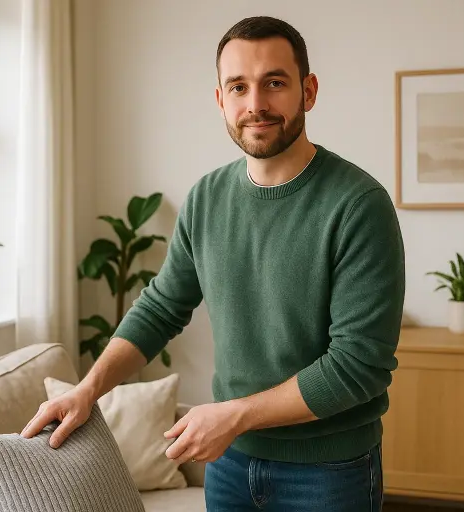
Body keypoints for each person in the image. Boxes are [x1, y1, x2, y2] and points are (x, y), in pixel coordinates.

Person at [21, 15, 405, 512]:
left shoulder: (359, 205)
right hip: (230, 467)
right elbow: (161, 307)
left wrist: (233, 417)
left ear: (308, 91)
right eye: (239, 87)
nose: (256, 104)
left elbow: (358, 368)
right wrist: (88, 389)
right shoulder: (206, 198)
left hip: (329, 473)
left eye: (274, 83)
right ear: (221, 99)